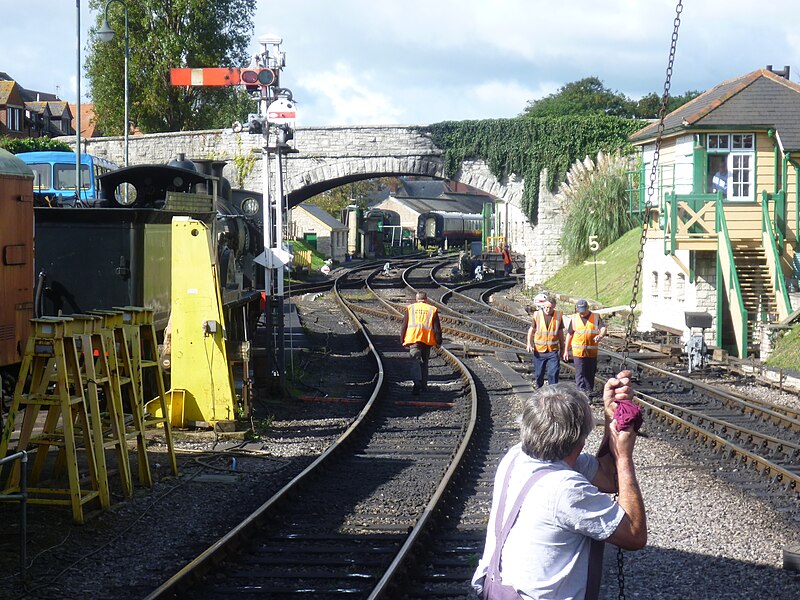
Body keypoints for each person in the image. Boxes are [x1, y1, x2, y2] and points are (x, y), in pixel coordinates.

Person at [471, 372, 646, 599]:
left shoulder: (516, 456)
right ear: (580, 442)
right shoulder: (564, 489)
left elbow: (606, 476)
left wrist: (609, 416)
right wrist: (624, 458)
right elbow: (634, 534)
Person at [399, 291, 442, 395]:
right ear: (426, 300)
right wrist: (438, 341)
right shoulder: (432, 309)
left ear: (417, 299)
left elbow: (404, 325)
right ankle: (424, 386)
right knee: (424, 363)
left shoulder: (411, 308)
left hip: (414, 339)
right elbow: (437, 329)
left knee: (415, 361)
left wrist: (402, 339)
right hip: (427, 340)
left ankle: (416, 383)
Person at [563, 299, 607, 398]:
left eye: (583, 311)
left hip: (591, 352)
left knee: (590, 374)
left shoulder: (595, 317)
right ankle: (581, 395)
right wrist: (566, 350)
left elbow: (603, 328)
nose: (581, 313)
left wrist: (600, 335)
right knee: (580, 374)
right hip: (578, 352)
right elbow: (569, 335)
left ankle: (589, 393)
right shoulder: (574, 318)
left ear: (588, 308)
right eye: (580, 311)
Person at [526, 294, 564, 388]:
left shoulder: (558, 316)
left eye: (550, 308)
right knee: (539, 374)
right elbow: (532, 330)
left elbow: (560, 333)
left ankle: (552, 392)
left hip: (553, 350)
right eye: (546, 307)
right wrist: (529, 344)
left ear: (554, 307)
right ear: (543, 306)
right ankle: (539, 389)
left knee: (553, 373)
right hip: (539, 350)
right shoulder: (537, 315)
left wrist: (563, 348)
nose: (548, 310)